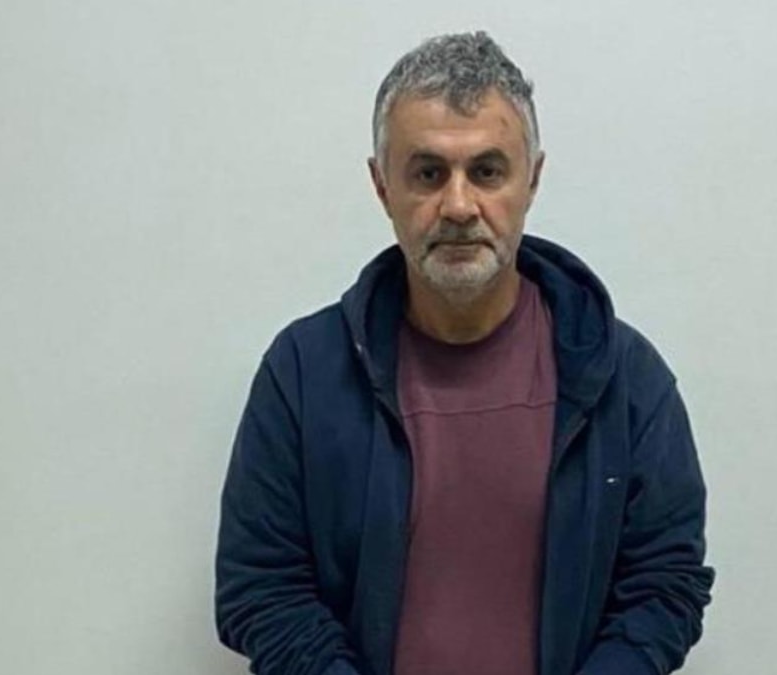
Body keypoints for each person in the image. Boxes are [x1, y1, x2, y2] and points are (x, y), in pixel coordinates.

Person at [215, 31, 714, 675]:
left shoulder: (627, 378)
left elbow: (665, 587)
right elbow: (261, 588)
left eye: (486, 171)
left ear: (532, 180)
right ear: (381, 186)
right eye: (428, 174)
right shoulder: (303, 374)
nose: (457, 206)